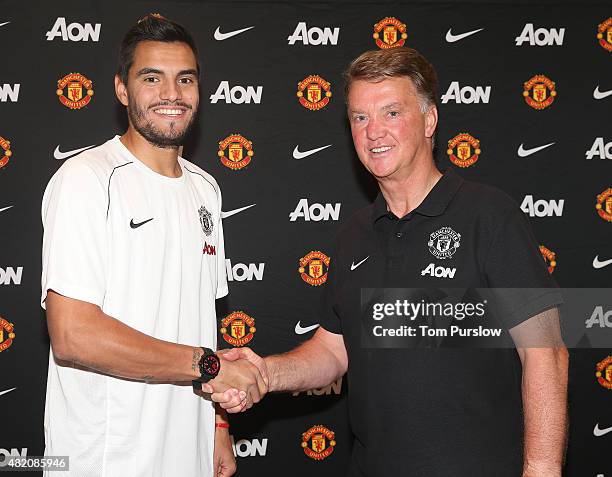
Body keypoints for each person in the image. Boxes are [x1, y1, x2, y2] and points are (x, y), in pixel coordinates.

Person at [211, 48, 569, 477]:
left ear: (430, 120)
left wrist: (542, 471)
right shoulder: (352, 235)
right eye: (360, 118)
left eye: (391, 113)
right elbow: (332, 351)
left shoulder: (489, 215)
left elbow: (546, 351)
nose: (373, 131)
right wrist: (263, 372)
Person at [41, 14, 266, 477]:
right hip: (107, 460)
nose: (171, 94)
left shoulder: (207, 189)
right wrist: (208, 367)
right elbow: (73, 335)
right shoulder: (87, 180)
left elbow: (200, 315)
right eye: (152, 78)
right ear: (122, 90)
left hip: (188, 450)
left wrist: (219, 425)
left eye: (185, 79)